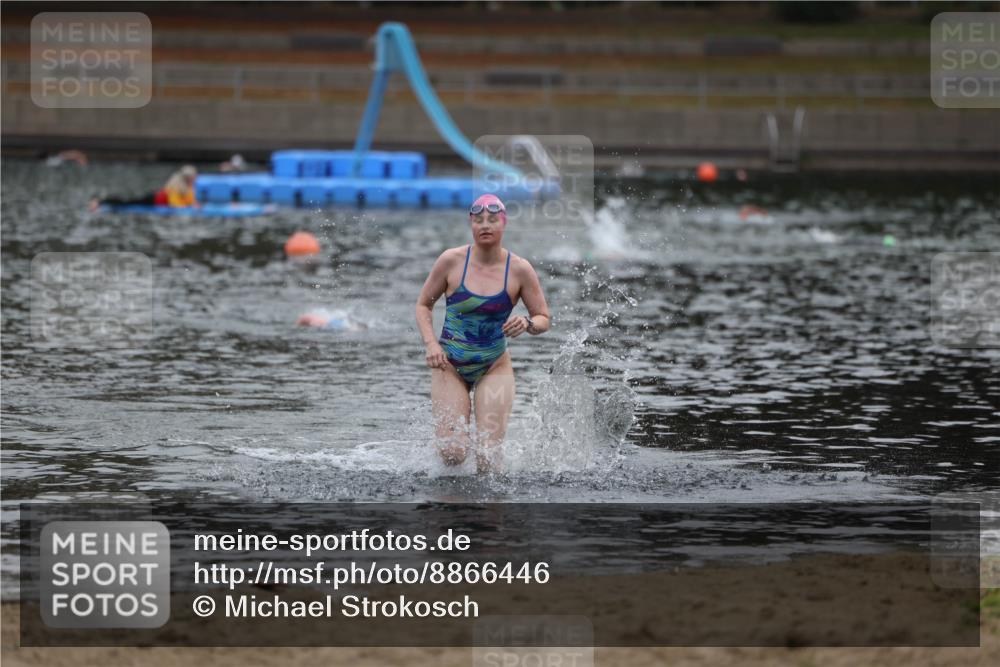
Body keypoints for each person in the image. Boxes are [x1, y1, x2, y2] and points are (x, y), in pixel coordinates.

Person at [415, 194, 551, 474]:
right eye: (478, 220)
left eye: (492, 220)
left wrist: (527, 323)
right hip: (449, 364)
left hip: (494, 366)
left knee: (488, 460)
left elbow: (544, 318)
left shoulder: (520, 269)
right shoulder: (451, 261)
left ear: (504, 224)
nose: (485, 225)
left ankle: (488, 515)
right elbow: (422, 305)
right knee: (453, 453)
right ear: (471, 224)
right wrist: (430, 344)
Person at [89, 165, 199, 211]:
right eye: (194, 177)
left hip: (155, 198)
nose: (195, 179)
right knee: (127, 202)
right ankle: (100, 201)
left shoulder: (186, 187)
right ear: (188, 178)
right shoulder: (177, 186)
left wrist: (193, 204)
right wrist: (189, 206)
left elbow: (188, 199)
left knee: (129, 201)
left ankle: (101, 201)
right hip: (152, 199)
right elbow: (174, 203)